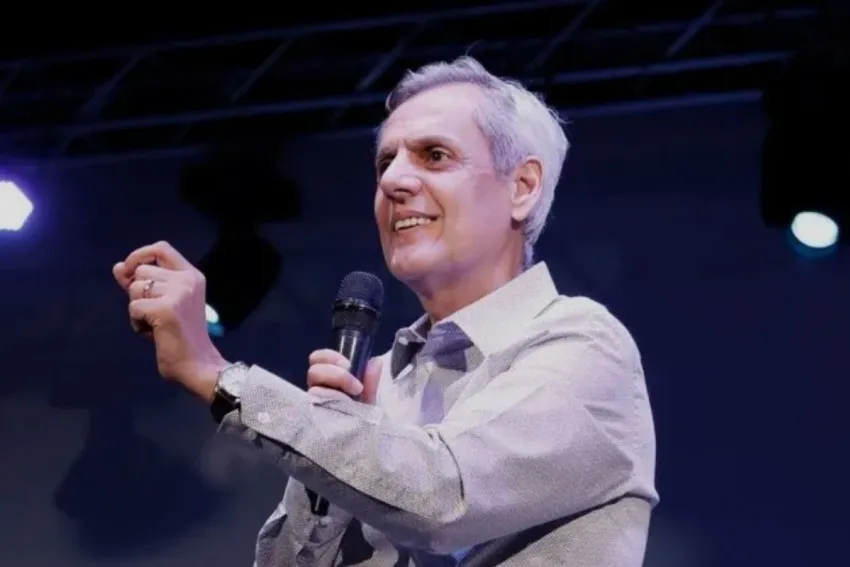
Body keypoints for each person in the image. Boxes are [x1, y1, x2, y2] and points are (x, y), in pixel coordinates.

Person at [113, 57, 658, 566]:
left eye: (435, 155)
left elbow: (444, 498)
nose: (393, 181)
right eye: (385, 162)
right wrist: (330, 444)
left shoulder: (584, 346)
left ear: (522, 186)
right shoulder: (382, 384)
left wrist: (216, 375)